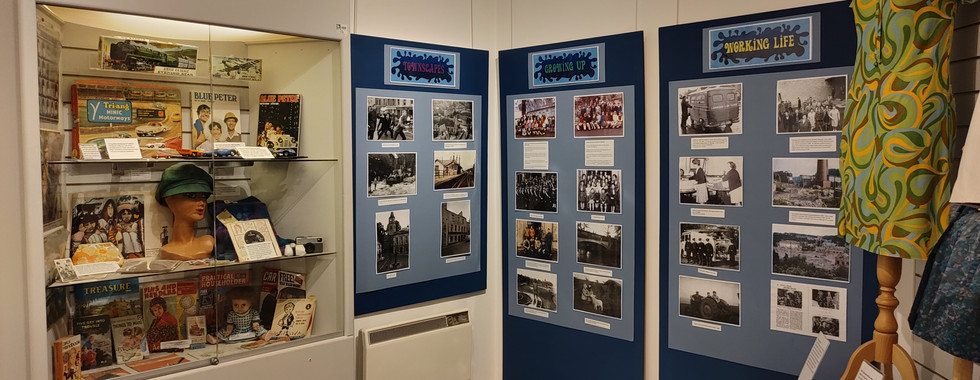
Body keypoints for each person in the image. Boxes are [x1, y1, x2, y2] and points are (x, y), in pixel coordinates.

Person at [156, 163, 214, 261]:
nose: (201, 202)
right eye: (191, 195)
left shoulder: (208, 243)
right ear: (169, 200)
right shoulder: (166, 250)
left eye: (204, 196)